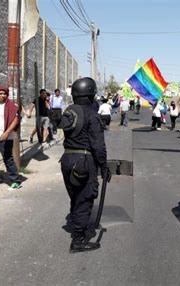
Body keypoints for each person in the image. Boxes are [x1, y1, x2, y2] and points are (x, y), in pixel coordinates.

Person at [53, 77, 109, 253]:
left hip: (67, 159)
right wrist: (104, 166)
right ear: (91, 94)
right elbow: (98, 145)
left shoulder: (71, 111)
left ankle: (77, 223)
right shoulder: (92, 115)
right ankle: (78, 240)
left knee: (75, 196)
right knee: (85, 198)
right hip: (84, 161)